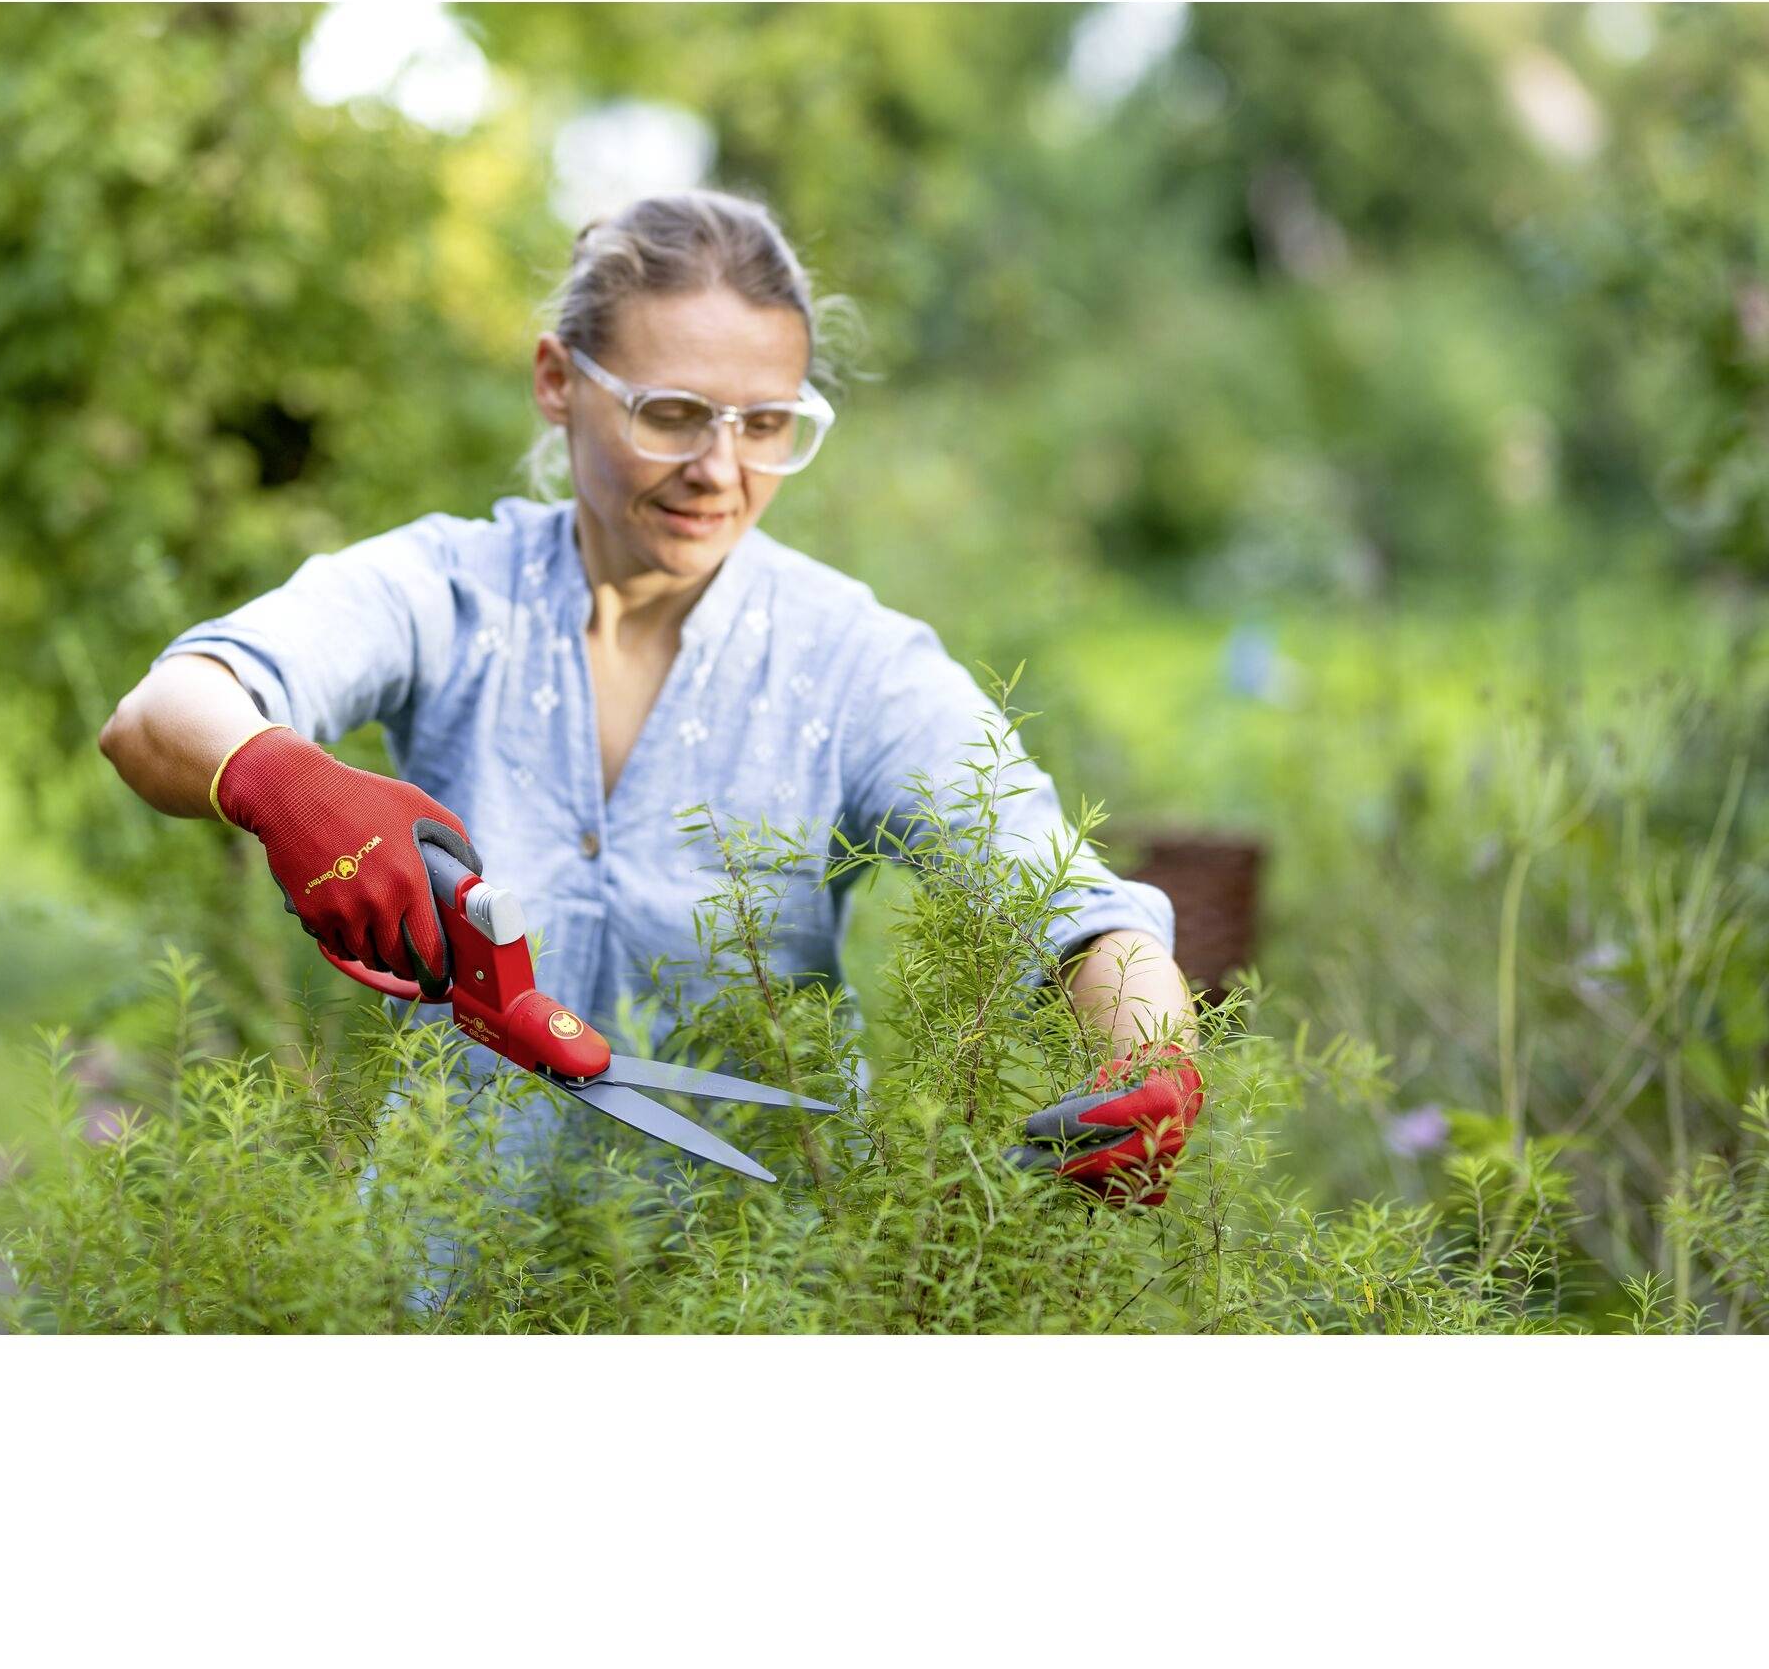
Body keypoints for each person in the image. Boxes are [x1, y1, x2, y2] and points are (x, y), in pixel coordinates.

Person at [98, 190, 1201, 1202]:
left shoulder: (853, 662)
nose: (720, 469)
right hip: (436, 1273)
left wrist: (1150, 1059)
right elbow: (160, 712)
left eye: (766, 424)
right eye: (672, 413)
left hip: (762, 1281)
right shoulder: (448, 592)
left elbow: (1072, 905)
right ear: (556, 381)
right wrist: (280, 779)